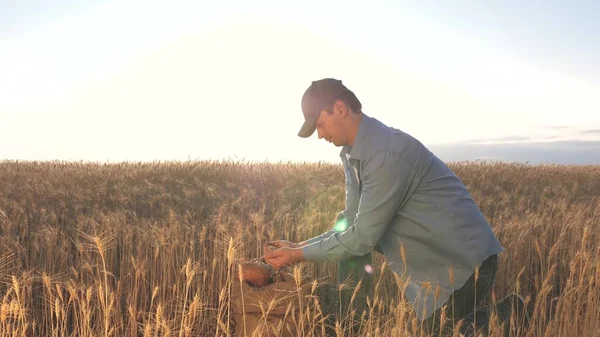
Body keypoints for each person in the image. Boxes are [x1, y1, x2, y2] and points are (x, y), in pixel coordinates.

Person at [263, 78, 528, 336]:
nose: (320, 135)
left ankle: (513, 313)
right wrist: (297, 247)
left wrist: (299, 255)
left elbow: (362, 238)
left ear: (340, 109)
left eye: (320, 124)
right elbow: (349, 222)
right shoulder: (353, 154)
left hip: (466, 265)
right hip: (436, 265)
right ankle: (353, 325)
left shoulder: (385, 154)